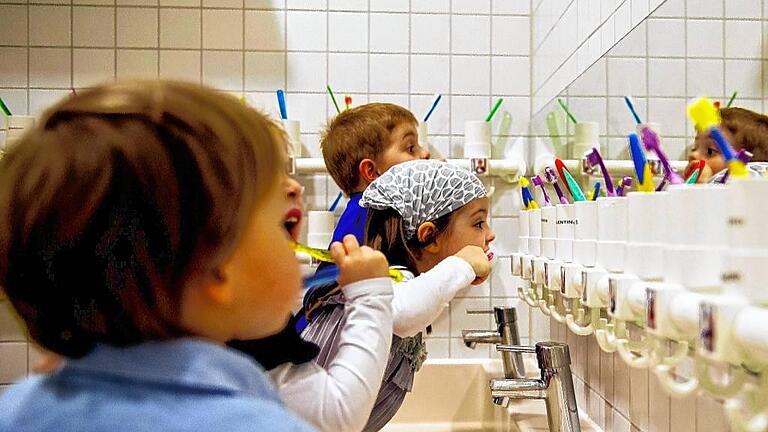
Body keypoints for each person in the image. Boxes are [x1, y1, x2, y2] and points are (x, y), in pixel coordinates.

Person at [303, 160, 495, 432]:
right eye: (478, 223)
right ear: (430, 236)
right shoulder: (385, 281)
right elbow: (402, 311)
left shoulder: (407, 284)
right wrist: (463, 264)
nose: (490, 234)